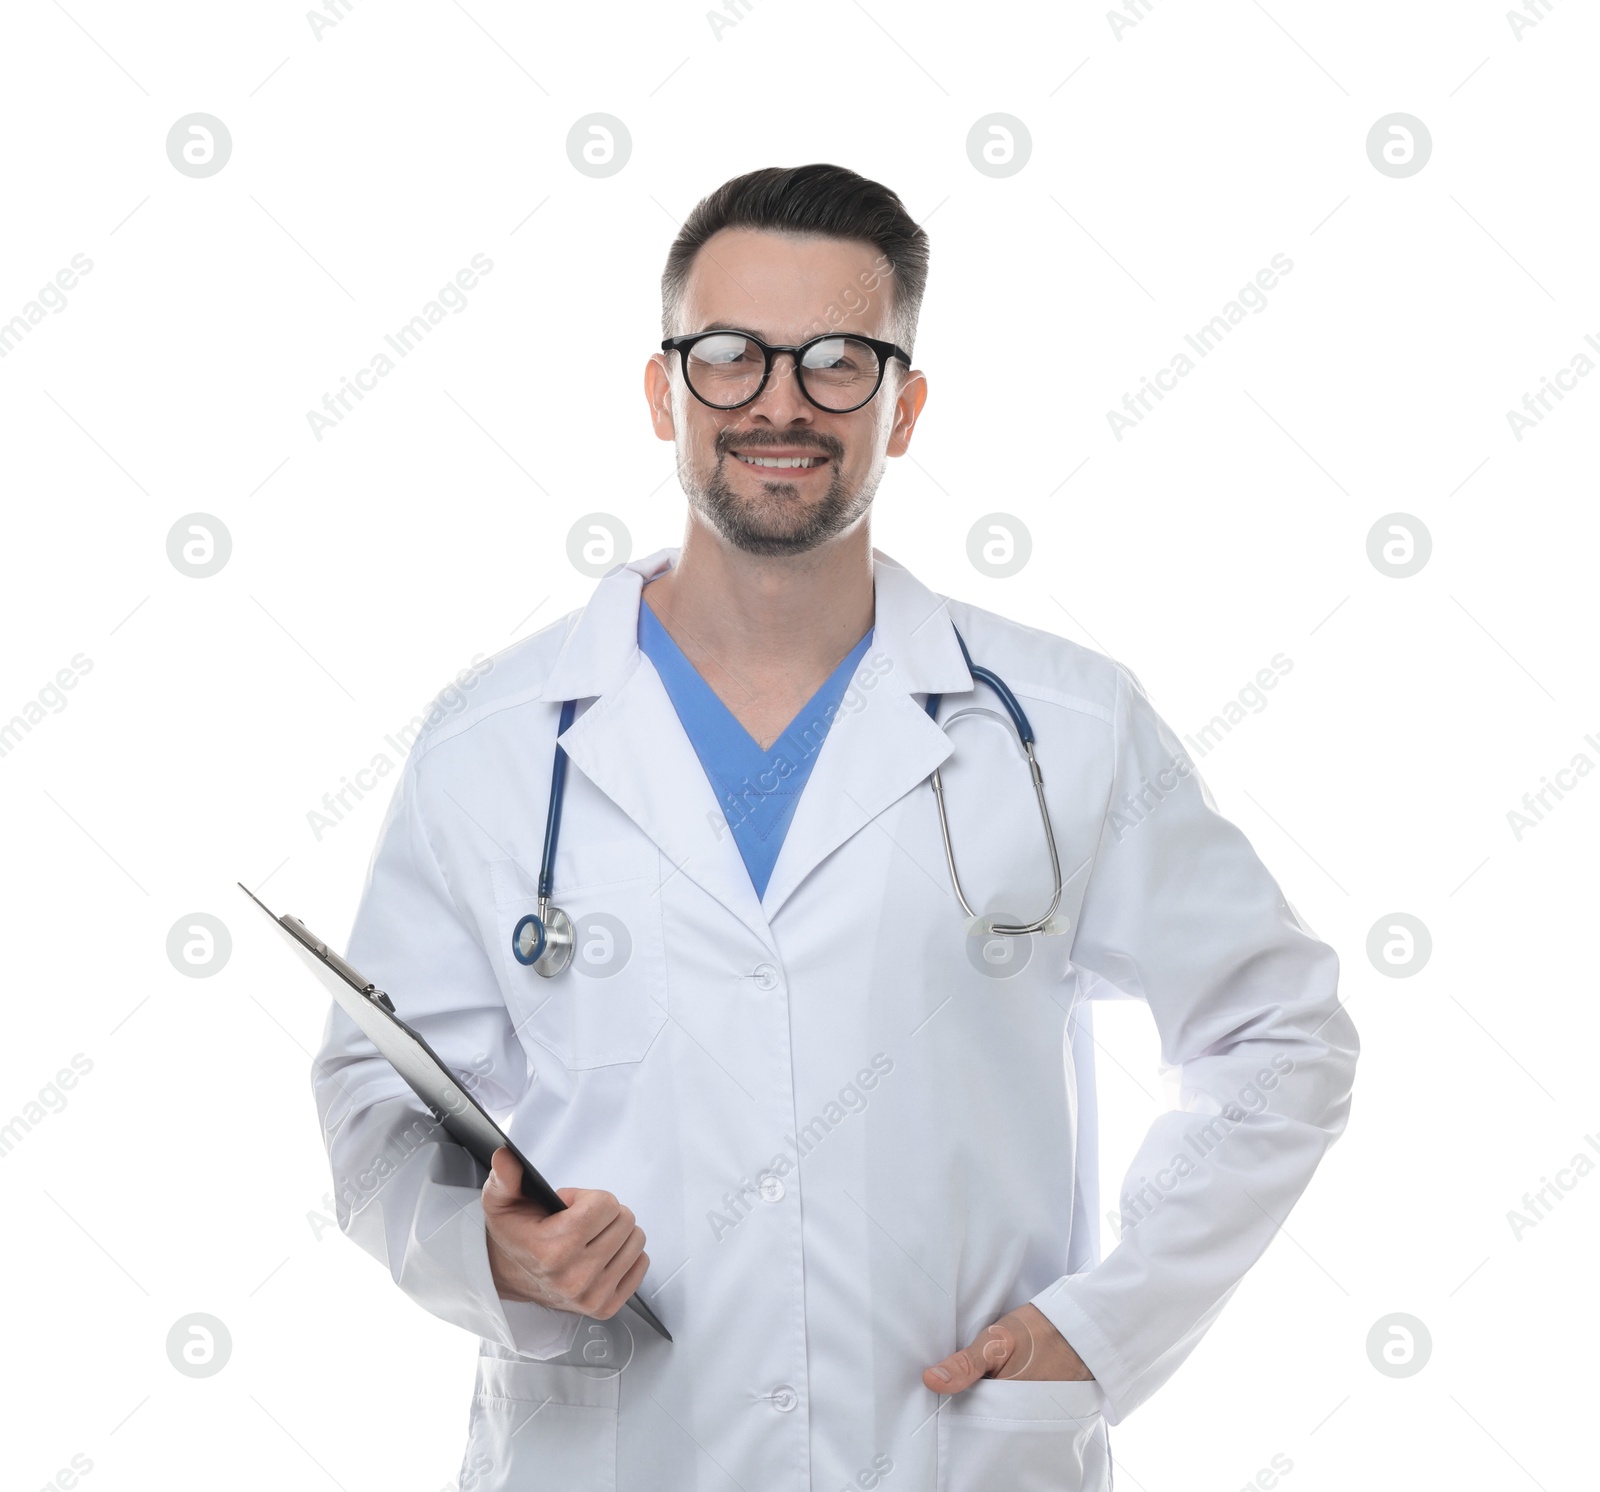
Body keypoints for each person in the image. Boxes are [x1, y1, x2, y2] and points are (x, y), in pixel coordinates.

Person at [311, 162, 1358, 1492]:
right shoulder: (495, 744)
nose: (779, 403)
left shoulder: (1069, 729)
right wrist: (491, 1256)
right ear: (662, 391)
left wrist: (1100, 1334)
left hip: (948, 1454)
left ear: (905, 407)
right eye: (731, 355)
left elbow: (1280, 1038)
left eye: (838, 362)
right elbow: (374, 1104)